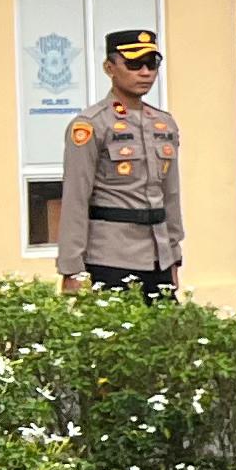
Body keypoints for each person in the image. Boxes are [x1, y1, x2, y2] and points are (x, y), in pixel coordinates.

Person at [56, 27, 183, 297]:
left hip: (158, 256)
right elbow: (75, 198)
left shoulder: (163, 124)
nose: (145, 72)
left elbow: (171, 196)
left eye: (151, 64)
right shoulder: (92, 124)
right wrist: (72, 267)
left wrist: (174, 256)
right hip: (110, 257)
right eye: (134, 64)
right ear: (109, 68)